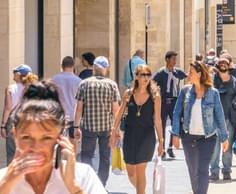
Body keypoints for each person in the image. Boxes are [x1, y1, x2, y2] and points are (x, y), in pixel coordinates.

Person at [0, 81, 107, 194]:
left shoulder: (83, 176)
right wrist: (5, 186)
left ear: (60, 137)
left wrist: (74, 188)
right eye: (26, 137)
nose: (36, 147)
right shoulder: (3, 180)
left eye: (46, 138)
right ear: (15, 135)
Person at [171, 61, 229, 194]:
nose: (188, 74)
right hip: (188, 137)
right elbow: (176, 113)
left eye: (190, 72)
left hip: (207, 138)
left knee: (203, 170)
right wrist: (175, 134)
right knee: (193, 171)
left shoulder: (213, 93)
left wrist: (224, 137)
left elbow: (219, 116)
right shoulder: (185, 91)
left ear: (199, 74)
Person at [111, 64, 164, 194]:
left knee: (141, 171)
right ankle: (142, 191)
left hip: (147, 136)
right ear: (136, 77)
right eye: (143, 75)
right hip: (130, 135)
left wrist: (161, 141)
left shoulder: (155, 96)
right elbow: (119, 113)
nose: (146, 78)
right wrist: (113, 130)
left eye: (148, 75)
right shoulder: (128, 94)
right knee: (130, 173)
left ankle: (140, 192)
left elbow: (157, 119)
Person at [73, 56, 120, 186]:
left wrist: (76, 126)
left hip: (88, 126)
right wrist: (116, 129)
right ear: (106, 69)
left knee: (87, 155)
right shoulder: (112, 85)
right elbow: (116, 110)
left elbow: (79, 109)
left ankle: (88, 183)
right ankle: (101, 184)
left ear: (94, 68)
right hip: (107, 127)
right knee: (105, 157)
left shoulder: (84, 83)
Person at [210, 58, 236, 181]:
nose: (223, 65)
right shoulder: (212, 81)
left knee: (226, 147)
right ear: (217, 66)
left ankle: (227, 170)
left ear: (229, 66)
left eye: (225, 63)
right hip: (213, 119)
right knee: (214, 147)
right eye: (220, 63)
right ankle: (214, 171)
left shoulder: (234, 82)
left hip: (229, 118)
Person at [152, 51, 188, 159]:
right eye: (173, 59)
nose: (175, 61)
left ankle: (170, 147)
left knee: (175, 124)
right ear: (167, 60)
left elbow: (187, 76)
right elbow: (152, 82)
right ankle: (162, 148)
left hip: (174, 102)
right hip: (163, 102)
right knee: (162, 125)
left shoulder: (177, 72)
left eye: (175, 59)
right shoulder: (161, 72)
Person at [1, 65, 31, 164]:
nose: (13, 74)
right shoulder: (31, 88)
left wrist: (3, 125)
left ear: (18, 75)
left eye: (15, 72)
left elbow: (8, 108)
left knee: (12, 152)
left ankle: (12, 176)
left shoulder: (10, 88)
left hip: (13, 121)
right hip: (27, 121)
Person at [50, 57, 81, 137]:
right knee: (73, 140)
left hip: (58, 114)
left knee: (59, 139)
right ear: (73, 66)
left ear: (61, 66)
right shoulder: (78, 81)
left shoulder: (54, 79)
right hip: (73, 115)